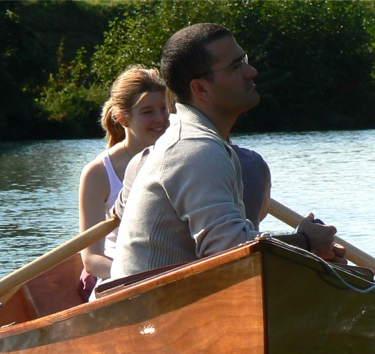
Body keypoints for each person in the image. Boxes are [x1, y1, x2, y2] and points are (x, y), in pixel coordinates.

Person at [110, 23, 342, 280]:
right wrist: (306, 243)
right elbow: (228, 252)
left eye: (245, 60)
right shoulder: (195, 149)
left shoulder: (194, 139)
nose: (251, 71)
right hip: (148, 313)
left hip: (169, 305)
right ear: (200, 89)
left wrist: (308, 248)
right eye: (236, 66)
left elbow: (234, 246)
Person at [77, 65, 170, 299]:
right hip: (119, 279)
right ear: (123, 119)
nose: (160, 119)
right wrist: (139, 277)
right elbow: (91, 260)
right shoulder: (98, 173)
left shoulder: (180, 156)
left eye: (164, 108)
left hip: (171, 269)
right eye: (148, 112)